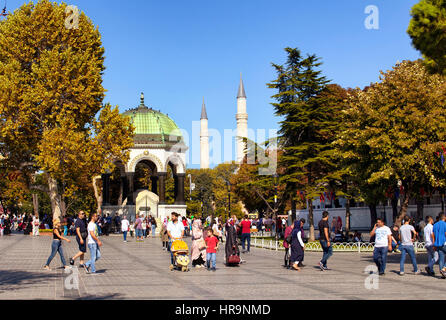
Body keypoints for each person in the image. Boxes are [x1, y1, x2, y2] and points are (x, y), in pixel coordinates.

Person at [433, 212, 446, 278]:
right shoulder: (445, 224)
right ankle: (444, 269)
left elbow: (433, 235)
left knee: (441, 258)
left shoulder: (435, 225)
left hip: (437, 243)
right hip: (444, 243)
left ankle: (443, 273)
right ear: (444, 217)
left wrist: (434, 244)